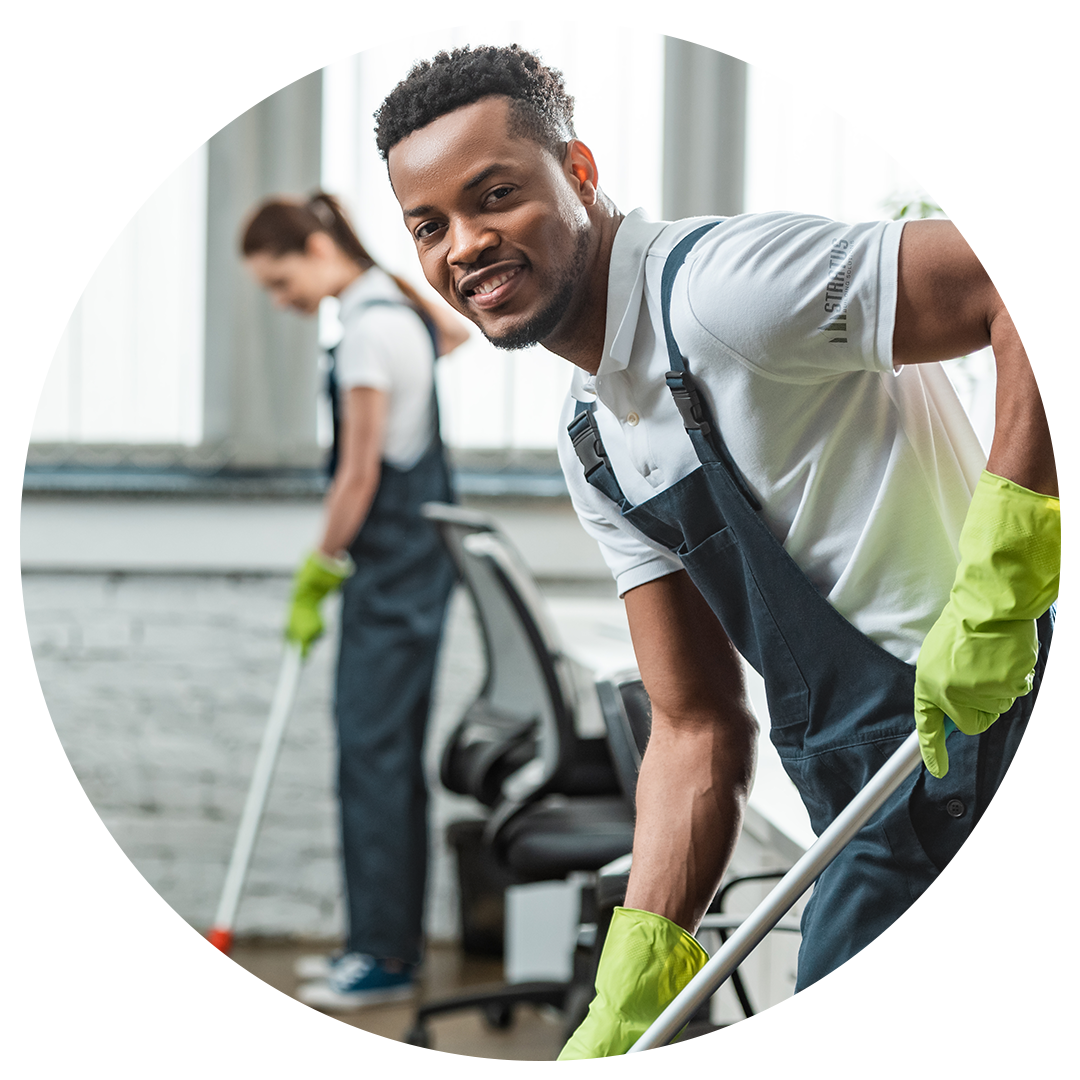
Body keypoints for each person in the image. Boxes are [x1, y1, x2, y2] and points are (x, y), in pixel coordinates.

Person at [371, 45, 1060, 1055]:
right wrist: (637, 973)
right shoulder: (593, 437)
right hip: (865, 788)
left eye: (497, 196)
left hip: (996, 728)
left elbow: (1022, 287)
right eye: (429, 227)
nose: (464, 246)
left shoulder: (724, 292)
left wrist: (1010, 568)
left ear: (582, 173)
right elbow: (694, 727)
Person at [241, 192, 466, 1009]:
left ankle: (382, 956)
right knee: (383, 759)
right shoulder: (389, 313)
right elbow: (454, 335)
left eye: (279, 279)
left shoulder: (369, 333)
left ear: (311, 245)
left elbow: (359, 474)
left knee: (371, 759)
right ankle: (378, 942)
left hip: (392, 573)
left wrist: (316, 565)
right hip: (408, 572)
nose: (281, 299)